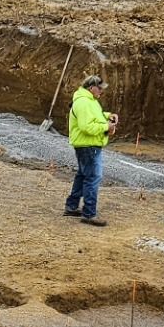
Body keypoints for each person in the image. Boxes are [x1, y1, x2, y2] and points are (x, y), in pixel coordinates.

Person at [65, 74, 118, 228]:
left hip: (87, 145)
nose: (101, 91)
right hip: (88, 145)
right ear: (91, 87)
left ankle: (72, 206)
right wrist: (106, 127)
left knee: (83, 175)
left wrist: (108, 116)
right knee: (93, 177)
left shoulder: (90, 101)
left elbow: (95, 117)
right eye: (100, 88)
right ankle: (89, 214)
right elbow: (86, 126)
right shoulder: (84, 102)